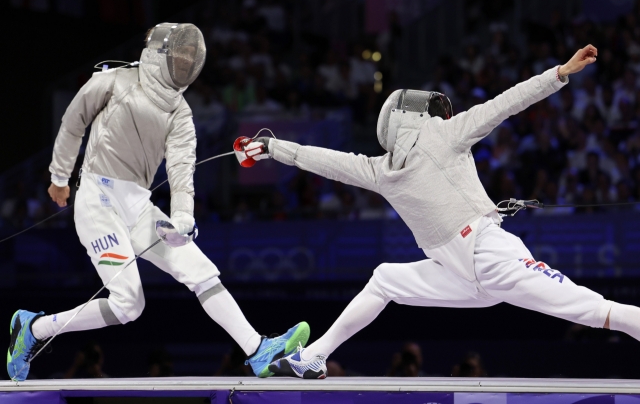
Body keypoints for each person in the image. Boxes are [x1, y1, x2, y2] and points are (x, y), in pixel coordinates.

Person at [247, 45, 640, 379]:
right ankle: (315, 356)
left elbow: (323, 160)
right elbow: (507, 102)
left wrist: (271, 148)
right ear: (409, 115)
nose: (436, 113)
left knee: (596, 310)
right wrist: (558, 73)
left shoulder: (380, 170)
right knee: (384, 279)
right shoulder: (420, 148)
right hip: (459, 271)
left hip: (489, 256)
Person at [7, 23, 309, 382]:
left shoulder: (180, 114)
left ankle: (258, 350)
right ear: (158, 52)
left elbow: (182, 171)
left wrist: (182, 218)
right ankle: (35, 328)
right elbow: (74, 122)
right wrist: (59, 178)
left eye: (190, 58)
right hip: (96, 198)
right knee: (128, 303)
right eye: (179, 54)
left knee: (199, 269)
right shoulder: (115, 80)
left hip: (138, 204)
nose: (185, 62)